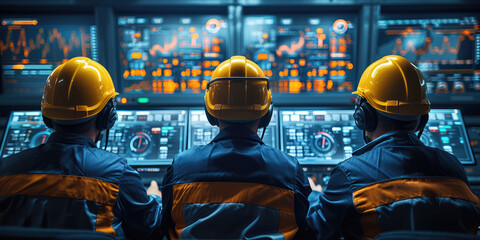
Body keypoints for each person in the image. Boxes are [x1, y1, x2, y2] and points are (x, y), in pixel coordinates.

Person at [307, 55, 480, 240]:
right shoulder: (454, 168)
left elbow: (317, 233)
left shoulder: (350, 174)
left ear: (363, 116)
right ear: (422, 119)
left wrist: (314, 195)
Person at [0, 57, 162, 239]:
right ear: (107, 117)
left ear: (47, 117)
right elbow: (149, 230)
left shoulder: (5, 171)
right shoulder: (118, 174)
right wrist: (155, 198)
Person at [159, 56, 312, 239]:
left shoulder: (181, 168)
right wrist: (316, 193)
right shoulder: (289, 171)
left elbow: (163, 227)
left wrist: (153, 197)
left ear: (210, 112)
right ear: (266, 113)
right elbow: (307, 229)